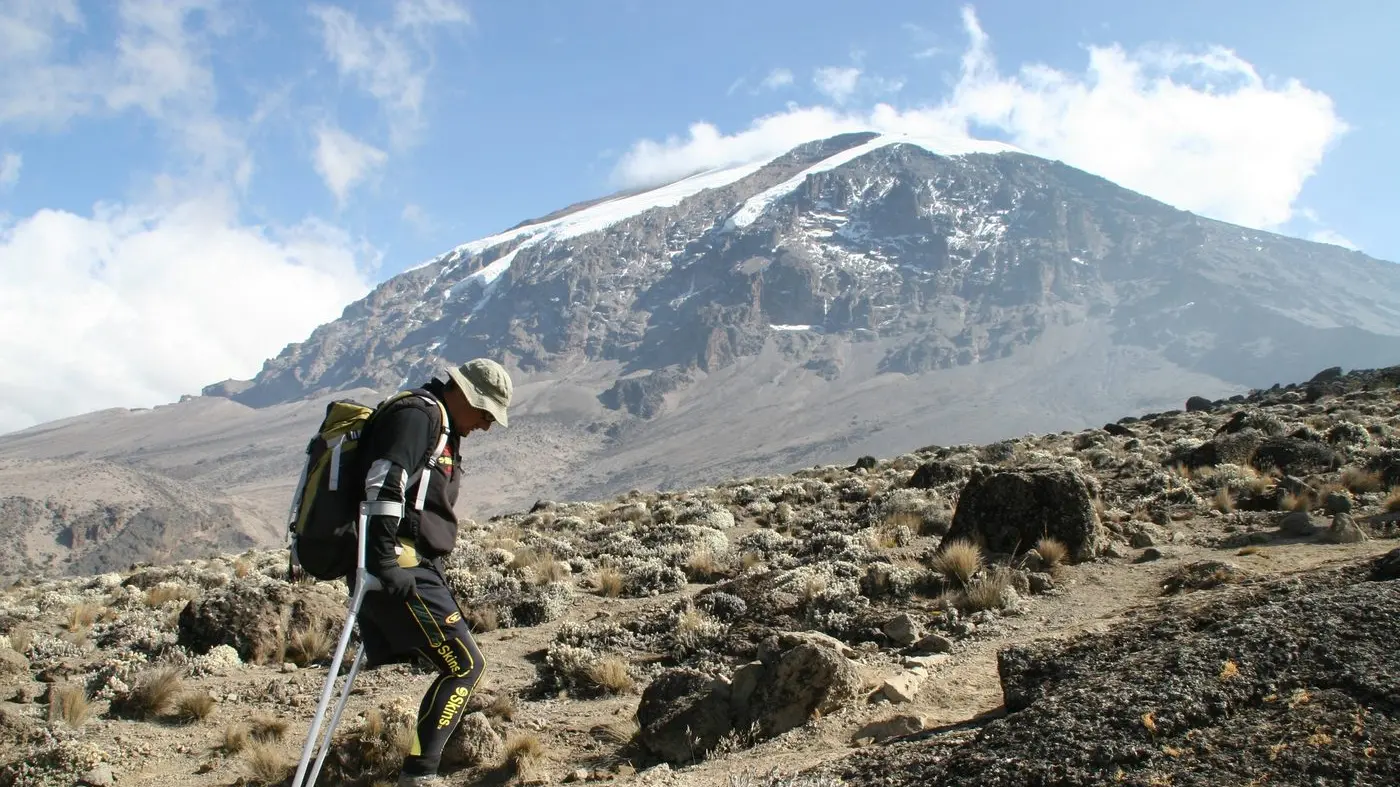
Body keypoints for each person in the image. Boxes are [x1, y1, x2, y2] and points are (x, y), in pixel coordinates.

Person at [352, 357, 512, 787]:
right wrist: (385, 561)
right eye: (483, 412)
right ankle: (419, 775)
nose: (485, 425)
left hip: (414, 563)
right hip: (399, 564)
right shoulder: (418, 416)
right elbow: (383, 482)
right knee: (466, 665)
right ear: (461, 393)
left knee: (462, 663)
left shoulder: (442, 423)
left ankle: (419, 770)